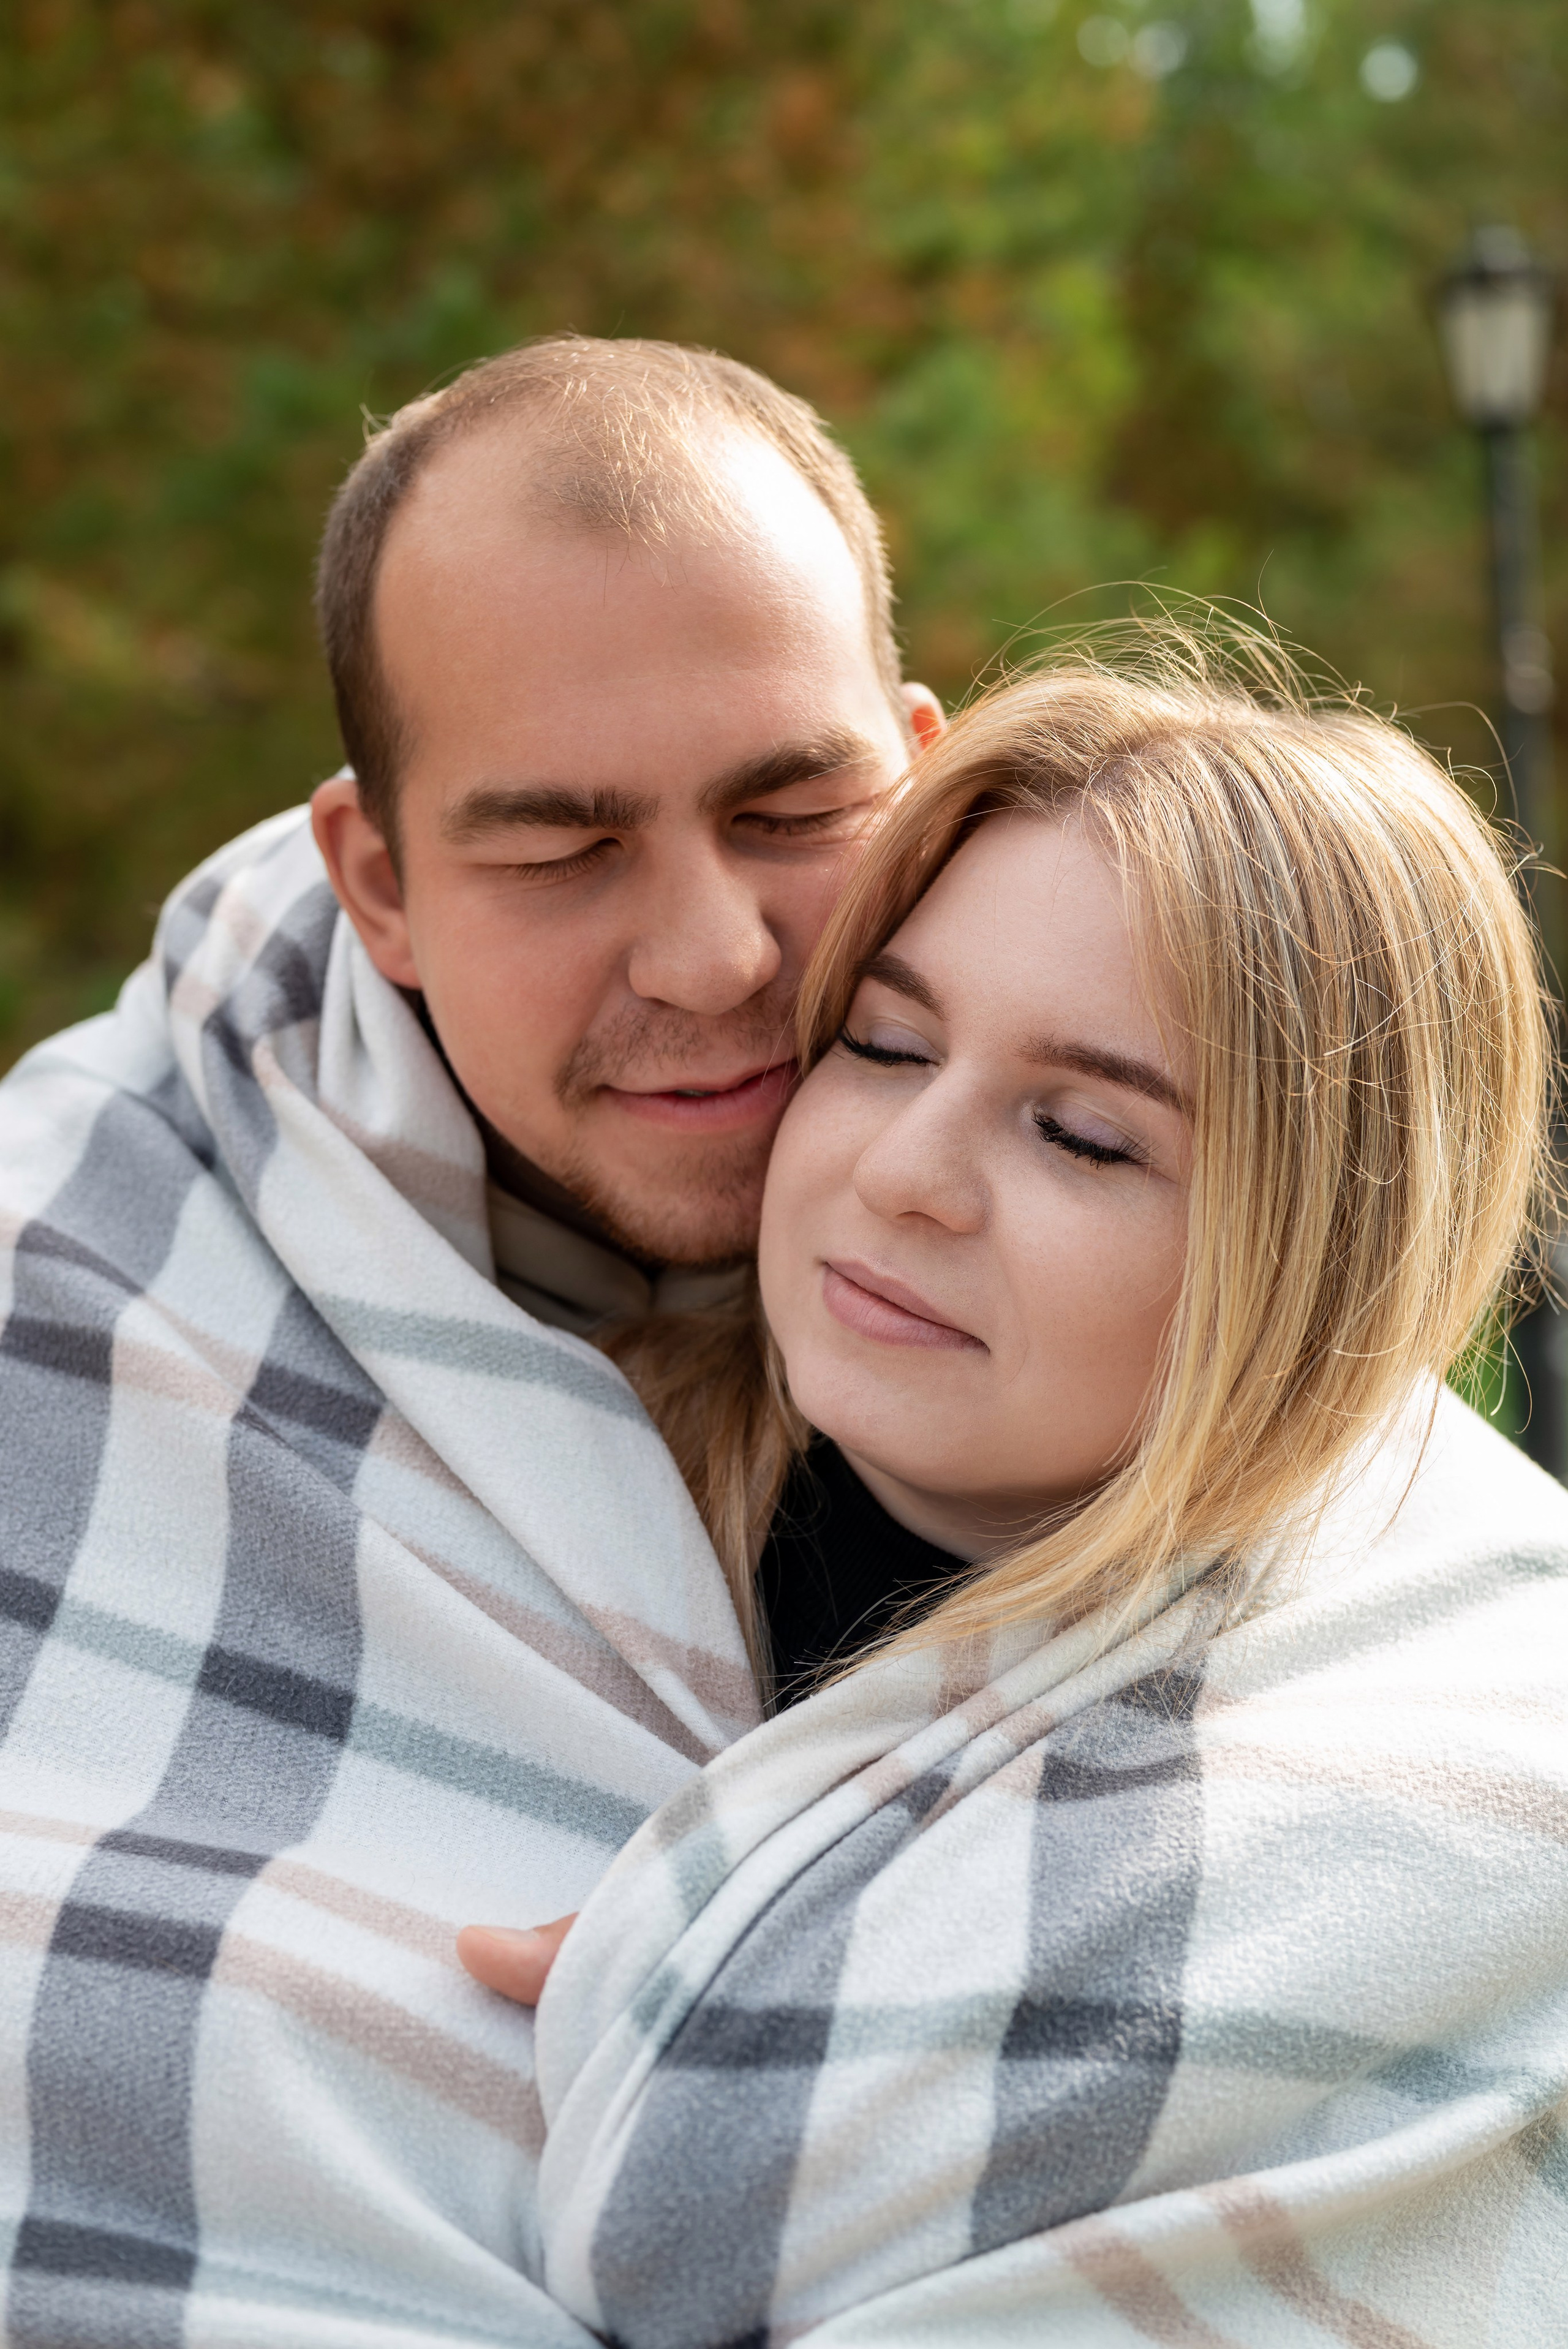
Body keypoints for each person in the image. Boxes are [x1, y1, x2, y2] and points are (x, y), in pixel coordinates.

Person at [0, 336, 941, 2347]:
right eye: (559, 850)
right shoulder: (54, 1263)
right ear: (382, 884)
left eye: (795, 808)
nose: (712, 954)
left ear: (922, 766)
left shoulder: (1187, 1186)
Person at [469, 643, 1568, 2347]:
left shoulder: (1435, 1693)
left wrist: (752, 1952)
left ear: (1319, 1263)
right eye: (888, 1042)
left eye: (1083, 1134)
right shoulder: (513, 1486)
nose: (904, 1174)